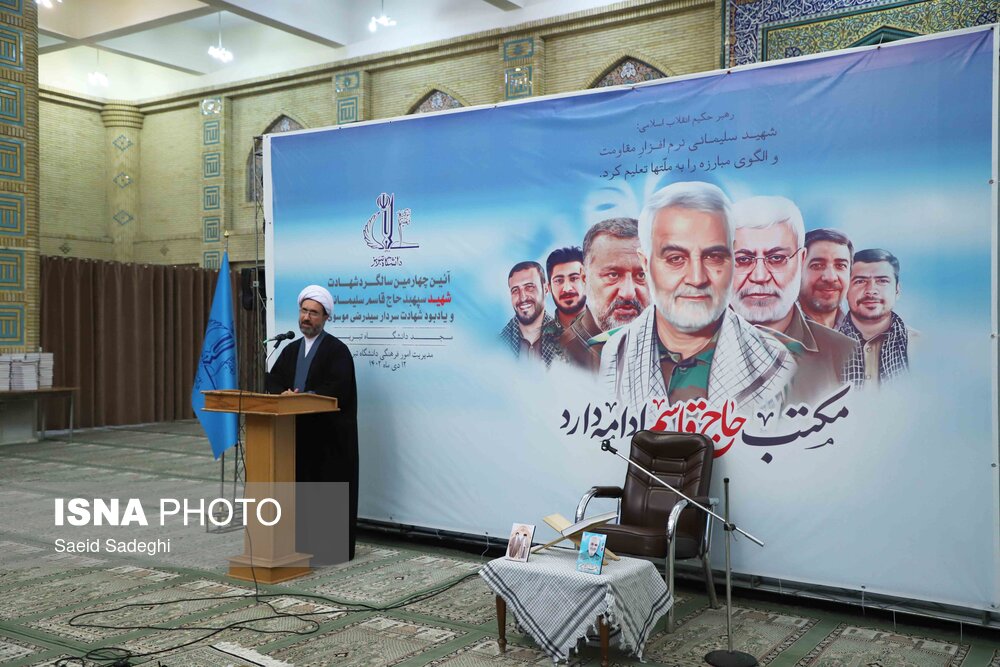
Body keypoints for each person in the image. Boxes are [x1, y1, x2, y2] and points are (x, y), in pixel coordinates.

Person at [600, 182, 795, 411]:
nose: (697, 278)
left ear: (733, 258)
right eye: (675, 259)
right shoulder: (611, 355)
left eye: (713, 257)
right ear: (645, 264)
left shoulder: (778, 365)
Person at [265, 285, 359, 562]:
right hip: (296, 434)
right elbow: (274, 380)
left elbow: (337, 388)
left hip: (328, 437)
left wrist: (306, 397)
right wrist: (282, 394)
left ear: (325, 317)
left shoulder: (337, 351)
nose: (306, 317)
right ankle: (298, 544)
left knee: (325, 490)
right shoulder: (290, 349)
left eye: (313, 313)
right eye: (304, 311)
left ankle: (329, 549)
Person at [731, 197, 856, 405]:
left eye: (776, 258)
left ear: (801, 260)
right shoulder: (685, 351)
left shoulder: (846, 355)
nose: (760, 276)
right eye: (743, 260)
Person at [559, 218, 650, 372]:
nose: (628, 293)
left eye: (641, 275)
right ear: (584, 278)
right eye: (613, 275)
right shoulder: (559, 357)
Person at [838, 249, 917, 387]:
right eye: (860, 281)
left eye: (882, 281)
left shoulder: (921, 347)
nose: (871, 290)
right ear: (846, 290)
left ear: (897, 290)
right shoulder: (824, 348)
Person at [499, 261, 563, 367]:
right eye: (515, 290)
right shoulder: (497, 346)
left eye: (529, 287)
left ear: (546, 289)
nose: (522, 298)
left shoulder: (567, 344)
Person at [799, 228, 853, 329]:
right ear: (797, 271)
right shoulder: (775, 330)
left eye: (840, 265)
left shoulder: (861, 331)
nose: (830, 277)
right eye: (817, 265)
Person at [545, 247, 586, 330]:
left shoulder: (605, 326)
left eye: (574, 278)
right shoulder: (539, 336)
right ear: (549, 288)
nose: (567, 289)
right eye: (559, 280)